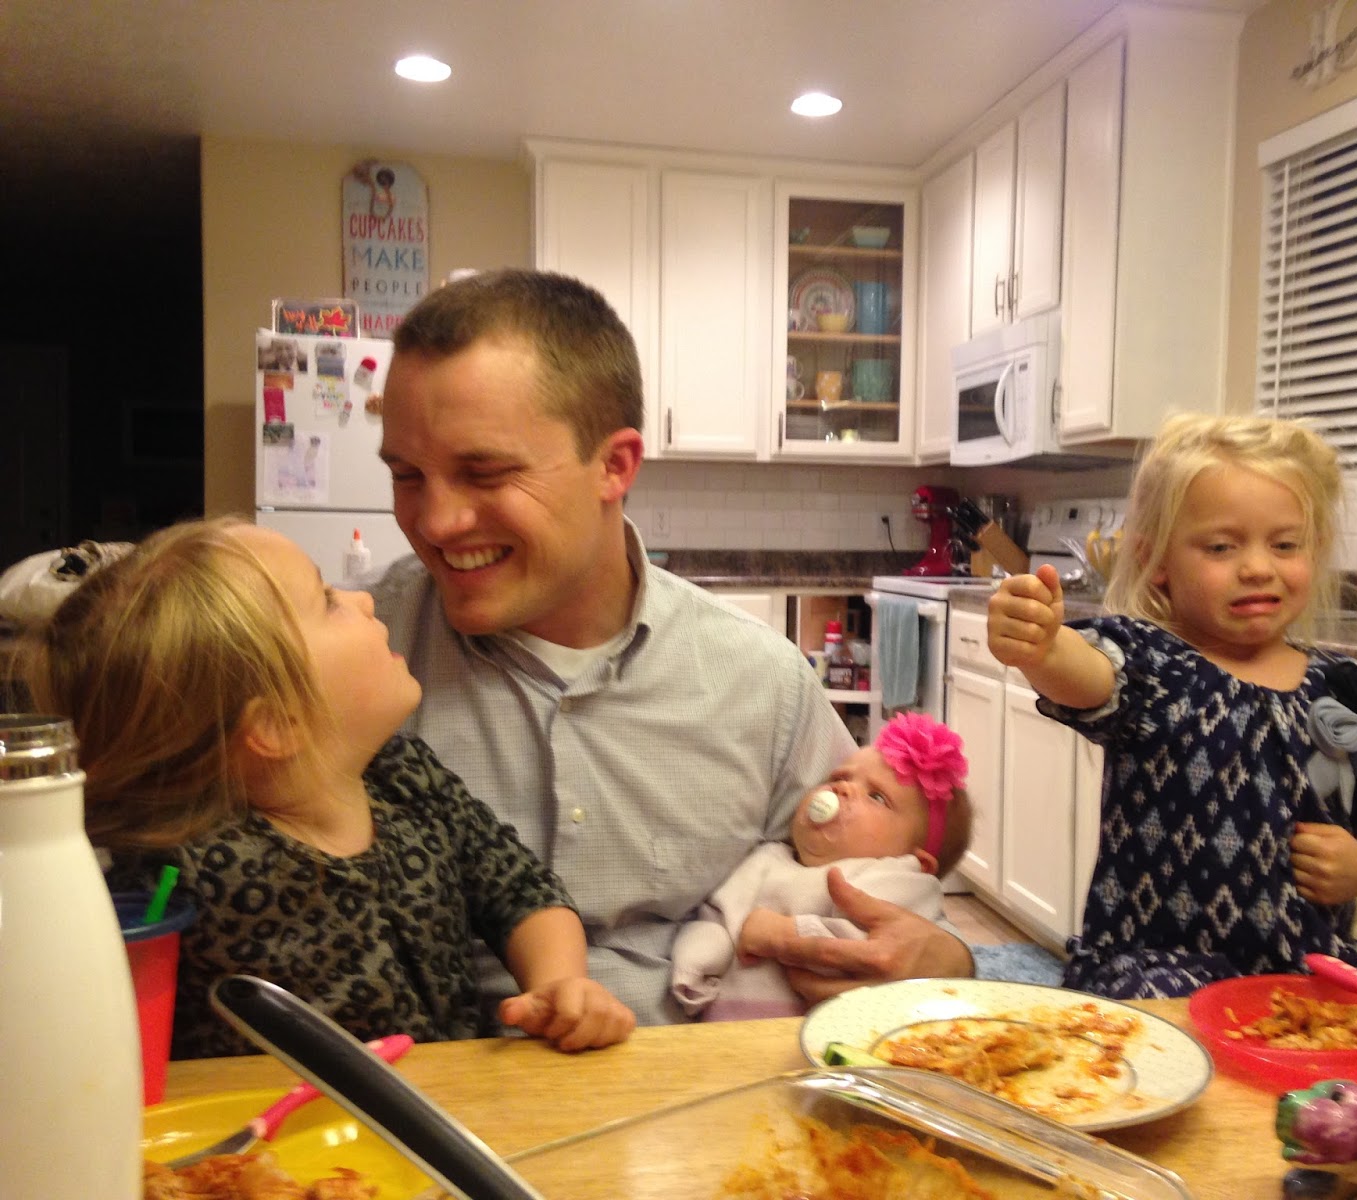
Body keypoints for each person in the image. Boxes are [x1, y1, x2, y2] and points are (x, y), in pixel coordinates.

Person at [369, 268, 973, 1026]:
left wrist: (947, 961)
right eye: (406, 475)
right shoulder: (353, 658)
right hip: (431, 1077)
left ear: (614, 466)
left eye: (483, 473)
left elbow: (888, 882)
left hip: (700, 1079)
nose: (435, 522)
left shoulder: (762, 685)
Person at [22, 517, 635, 1058]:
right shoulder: (177, 871)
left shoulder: (405, 777)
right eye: (327, 601)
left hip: (444, 1115)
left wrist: (558, 983)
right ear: (276, 723)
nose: (362, 599)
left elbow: (520, 890)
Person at [986, 412, 1357, 998]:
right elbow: (1086, 675)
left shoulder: (1348, 690)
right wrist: (1043, 647)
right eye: (1221, 546)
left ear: (1316, 551)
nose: (1258, 567)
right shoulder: (1154, 663)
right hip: (1167, 968)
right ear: (1158, 563)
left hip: (1314, 969)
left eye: (1284, 545)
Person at [671, 712, 972, 1020]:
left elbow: (874, 953)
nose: (842, 789)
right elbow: (718, 914)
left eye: (877, 797)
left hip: (821, 1033)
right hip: (724, 1030)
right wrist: (701, 955)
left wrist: (784, 934)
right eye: (839, 778)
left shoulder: (893, 878)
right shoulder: (767, 858)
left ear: (916, 861)